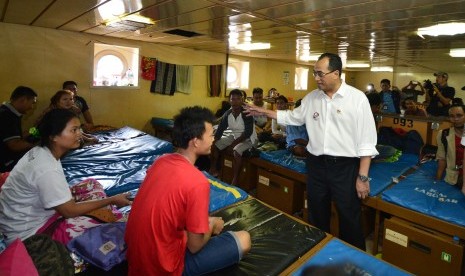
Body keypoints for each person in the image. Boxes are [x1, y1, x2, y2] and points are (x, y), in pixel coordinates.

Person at [245, 53, 378, 250]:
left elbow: (366, 141)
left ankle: (355, 259)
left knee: (349, 214)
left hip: (344, 166)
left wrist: (363, 177)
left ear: (336, 73)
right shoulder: (312, 98)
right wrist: (265, 112)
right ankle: (317, 250)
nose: (316, 78)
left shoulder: (357, 99)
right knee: (316, 211)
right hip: (316, 164)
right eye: (314, 73)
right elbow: (293, 117)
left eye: (320, 74)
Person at [125, 106, 251, 275]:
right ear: (196, 141)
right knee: (244, 239)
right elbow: (194, 246)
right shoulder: (198, 182)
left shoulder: (160, 162)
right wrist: (211, 225)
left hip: (136, 260)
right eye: (211, 135)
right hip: (164, 268)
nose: (214, 139)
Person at [0, 109, 131, 245]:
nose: (80, 133)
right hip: (28, 234)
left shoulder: (40, 151)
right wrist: (111, 200)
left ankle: (106, 210)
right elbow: (69, 211)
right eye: (74, 130)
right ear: (54, 136)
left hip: (27, 217)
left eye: (79, 128)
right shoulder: (46, 168)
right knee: (98, 224)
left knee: (91, 184)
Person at [209, 89, 257, 186]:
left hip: (249, 139)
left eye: (238, 99)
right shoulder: (228, 114)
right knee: (215, 145)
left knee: (236, 151)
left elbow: (248, 132)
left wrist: (233, 144)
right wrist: (215, 141)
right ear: (229, 101)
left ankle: (235, 179)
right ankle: (214, 169)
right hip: (235, 136)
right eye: (232, 99)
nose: (235, 102)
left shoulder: (247, 113)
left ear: (242, 100)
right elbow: (221, 129)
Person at [0, 86, 38, 172]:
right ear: (23, 100)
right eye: (32, 103)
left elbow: (15, 136)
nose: (32, 107)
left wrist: (34, 130)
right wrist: (37, 147)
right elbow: (15, 145)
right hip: (4, 163)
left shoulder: (6, 111)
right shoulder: (7, 116)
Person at [437, 104, 465, 190]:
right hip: (453, 176)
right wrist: (437, 181)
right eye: (452, 116)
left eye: (459, 115)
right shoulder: (444, 134)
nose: (456, 119)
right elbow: (442, 158)